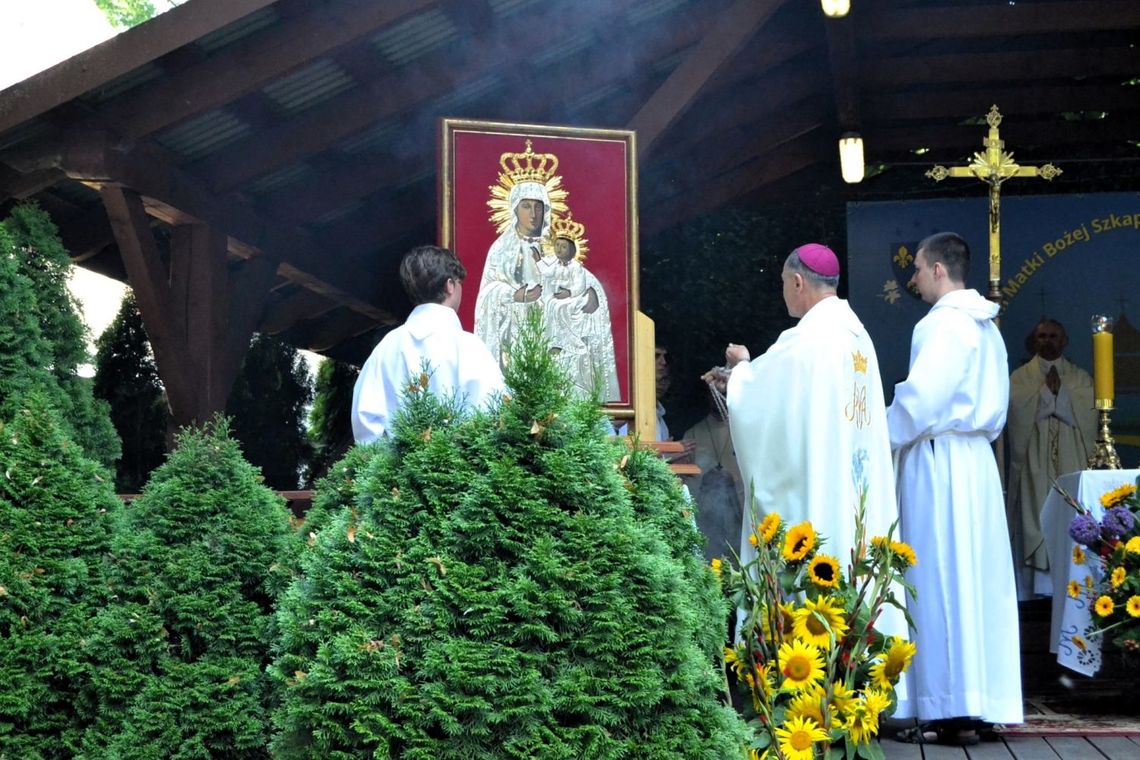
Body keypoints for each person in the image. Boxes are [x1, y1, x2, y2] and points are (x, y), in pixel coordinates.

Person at [706, 243, 901, 635]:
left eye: (783, 283)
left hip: (822, 497)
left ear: (798, 282)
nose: (782, 291)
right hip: (858, 494)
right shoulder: (858, 336)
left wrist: (741, 371)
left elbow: (762, 402)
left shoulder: (806, 340)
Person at [886, 232, 1022, 742]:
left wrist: (875, 431)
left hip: (940, 460)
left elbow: (921, 401)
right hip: (975, 461)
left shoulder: (943, 325)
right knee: (975, 579)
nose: (914, 278)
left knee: (941, 576)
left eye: (918, 269)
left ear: (939, 270)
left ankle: (947, 708)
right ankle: (978, 703)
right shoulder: (986, 326)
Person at [351, 245, 505, 443]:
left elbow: (365, 421)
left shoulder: (385, 349)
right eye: (459, 283)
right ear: (450, 285)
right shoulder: (469, 347)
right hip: (463, 470)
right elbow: (493, 412)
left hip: (394, 471)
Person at [1006, 319, 1096, 601]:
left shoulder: (1080, 379)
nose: (1047, 341)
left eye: (1053, 336)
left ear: (1064, 340)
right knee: (1036, 512)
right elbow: (1016, 412)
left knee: (1070, 513)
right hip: (1034, 459)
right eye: (1042, 336)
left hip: (1071, 457)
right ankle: (1038, 590)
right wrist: (1046, 394)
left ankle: (1074, 583)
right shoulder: (1020, 379)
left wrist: (1061, 396)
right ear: (1034, 341)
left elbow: (1089, 415)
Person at [538, 215, 621, 400]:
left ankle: (571, 343)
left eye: (564, 247)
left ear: (572, 250)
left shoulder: (577, 269)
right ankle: (555, 343)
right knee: (552, 306)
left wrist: (569, 295)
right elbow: (546, 274)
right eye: (557, 246)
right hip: (556, 301)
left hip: (573, 300)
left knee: (562, 308)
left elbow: (579, 286)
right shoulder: (554, 265)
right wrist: (538, 259)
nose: (559, 250)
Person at [474, 181, 550, 369]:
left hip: (548, 327)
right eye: (526, 206)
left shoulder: (554, 248)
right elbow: (487, 292)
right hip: (513, 330)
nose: (533, 214)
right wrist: (514, 295)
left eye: (538, 207)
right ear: (515, 210)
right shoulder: (501, 249)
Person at [682, 391, 744, 563]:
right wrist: (706, 485)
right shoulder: (693, 434)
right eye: (714, 393)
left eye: (724, 392)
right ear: (707, 397)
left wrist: (733, 483)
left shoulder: (743, 432)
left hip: (737, 521)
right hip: (706, 522)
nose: (719, 397)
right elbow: (686, 485)